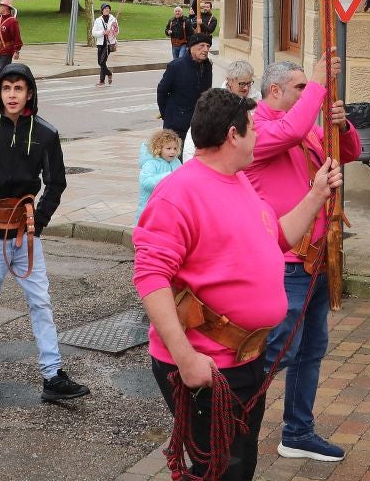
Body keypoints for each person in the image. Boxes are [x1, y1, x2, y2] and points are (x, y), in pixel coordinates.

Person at [133, 89, 340, 481]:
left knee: (238, 466)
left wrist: (316, 194)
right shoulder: (178, 193)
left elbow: (275, 238)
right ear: (233, 135)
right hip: (206, 366)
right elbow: (150, 276)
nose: (259, 135)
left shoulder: (239, 180)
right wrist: (186, 359)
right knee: (219, 471)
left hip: (245, 361)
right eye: (254, 128)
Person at [0, 61, 90, 405]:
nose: (12, 95)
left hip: (25, 235)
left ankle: (52, 375)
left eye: (18, 89)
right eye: (6, 88)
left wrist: (39, 220)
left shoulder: (45, 134)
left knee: (41, 302)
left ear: (29, 93)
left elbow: (56, 183)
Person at [246, 53, 359, 462]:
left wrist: (341, 125)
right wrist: (318, 82)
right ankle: (227, 416)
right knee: (274, 351)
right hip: (286, 261)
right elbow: (291, 131)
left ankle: (297, 432)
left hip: (317, 259)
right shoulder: (255, 127)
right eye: (300, 88)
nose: (308, 93)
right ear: (274, 91)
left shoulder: (303, 127)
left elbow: (349, 151)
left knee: (311, 350)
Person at [156, 34, 214, 138]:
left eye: (208, 46)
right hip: (176, 125)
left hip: (198, 123)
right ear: (192, 47)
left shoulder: (207, 66)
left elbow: (207, 93)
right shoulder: (176, 66)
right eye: (202, 45)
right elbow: (162, 91)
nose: (206, 49)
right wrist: (167, 114)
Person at [137, 128, 182, 221]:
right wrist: (167, 177)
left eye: (175, 148)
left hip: (170, 206)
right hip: (151, 208)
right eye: (168, 148)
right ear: (158, 149)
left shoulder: (176, 162)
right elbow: (145, 182)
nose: (173, 151)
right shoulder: (151, 164)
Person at [90, 3, 119, 85]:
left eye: (108, 8)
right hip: (100, 43)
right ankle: (108, 74)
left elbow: (116, 32)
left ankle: (103, 79)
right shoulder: (98, 20)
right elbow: (93, 33)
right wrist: (103, 32)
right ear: (102, 10)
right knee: (100, 62)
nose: (107, 9)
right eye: (105, 8)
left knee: (102, 62)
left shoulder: (113, 20)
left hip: (109, 44)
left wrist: (115, 30)